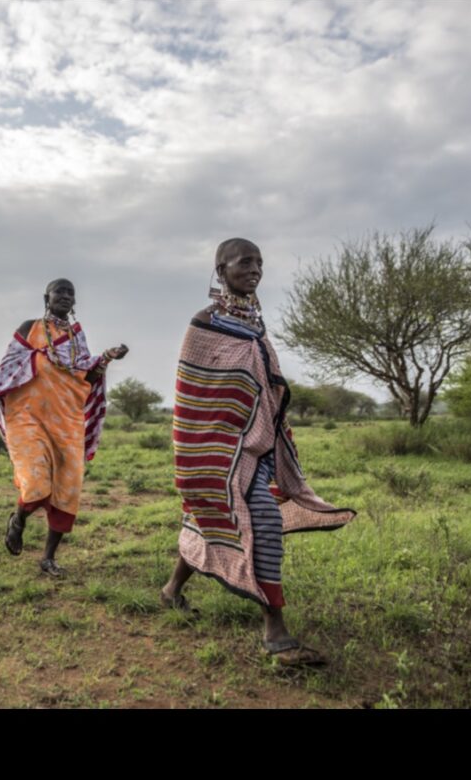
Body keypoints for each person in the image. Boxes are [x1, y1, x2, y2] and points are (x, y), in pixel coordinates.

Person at [161, 238, 357, 666]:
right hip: (216, 448)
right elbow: (196, 394)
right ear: (220, 269)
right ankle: (276, 631)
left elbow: (264, 383)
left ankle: (171, 589)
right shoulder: (205, 324)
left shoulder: (254, 325)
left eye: (260, 263)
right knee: (262, 521)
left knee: (211, 517)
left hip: (256, 446)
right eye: (244, 262)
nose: (255, 269)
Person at [0, 278, 128, 578]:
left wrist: (107, 356)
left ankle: (48, 558)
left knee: (66, 491)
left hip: (67, 422)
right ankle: (18, 520)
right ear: (46, 297)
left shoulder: (76, 338)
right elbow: (4, 372)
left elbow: (86, 375)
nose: (65, 296)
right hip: (27, 419)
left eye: (70, 293)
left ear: (75, 301)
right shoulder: (29, 328)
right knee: (35, 483)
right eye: (60, 291)